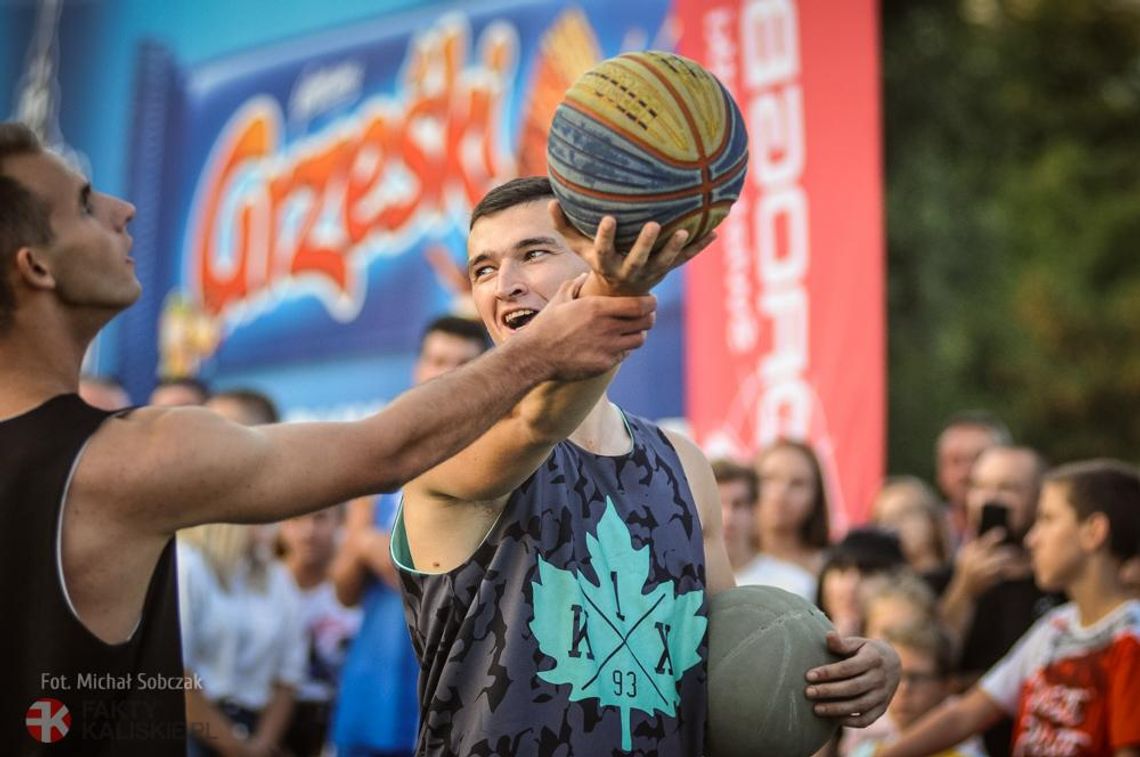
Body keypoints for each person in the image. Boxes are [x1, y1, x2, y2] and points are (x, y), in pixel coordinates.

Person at [0, 122, 656, 755]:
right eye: (85, 206)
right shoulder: (124, 457)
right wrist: (543, 348)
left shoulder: (109, 455)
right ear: (35, 267)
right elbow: (387, 448)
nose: (123, 208)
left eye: (532, 254)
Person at [393, 177, 899, 755]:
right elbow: (540, 422)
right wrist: (615, 304)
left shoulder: (684, 467)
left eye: (532, 254)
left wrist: (851, 669)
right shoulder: (452, 440)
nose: (505, 285)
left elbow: (730, 669)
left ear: (594, 263)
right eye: (483, 270)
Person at [880, 459, 1140, 757]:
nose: (1032, 539)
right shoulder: (1055, 627)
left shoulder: (1130, 639)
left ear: (1094, 531)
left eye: (1047, 518)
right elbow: (965, 715)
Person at [331, 315, 491, 757]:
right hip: (373, 688)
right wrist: (364, 547)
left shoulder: (498, 461)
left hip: (452, 690)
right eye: (437, 359)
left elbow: (443, 577)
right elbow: (345, 590)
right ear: (418, 368)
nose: (446, 372)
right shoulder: (386, 453)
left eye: (463, 362)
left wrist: (371, 545)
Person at [279, 505, 362, 757]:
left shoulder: (353, 593)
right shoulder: (262, 587)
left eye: (320, 518)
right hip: (266, 725)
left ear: (341, 523)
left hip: (333, 728)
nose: (308, 532)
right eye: (295, 517)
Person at [843, 622, 985, 757]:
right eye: (896, 676)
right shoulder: (867, 751)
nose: (904, 689)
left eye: (917, 678)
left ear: (947, 686)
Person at [736, 439, 831, 601]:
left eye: (797, 484)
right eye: (769, 480)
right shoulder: (726, 563)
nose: (780, 493)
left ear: (816, 496)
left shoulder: (831, 568)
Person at [934, 410, 1011, 546]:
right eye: (955, 461)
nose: (966, 472)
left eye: (978, 460)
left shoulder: (1027, 534)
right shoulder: (926, 530)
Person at [871, 475, 953, 591]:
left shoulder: (961, 578)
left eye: (905, 514)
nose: (894, 526)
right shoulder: (880, 591)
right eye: (885, 520)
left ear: (931, 520)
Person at [711, 458, 761, 575]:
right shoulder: (685, 585)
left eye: (738, 504)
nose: (728, 516)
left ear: (755, 510)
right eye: (716, 504)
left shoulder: (793, 582)